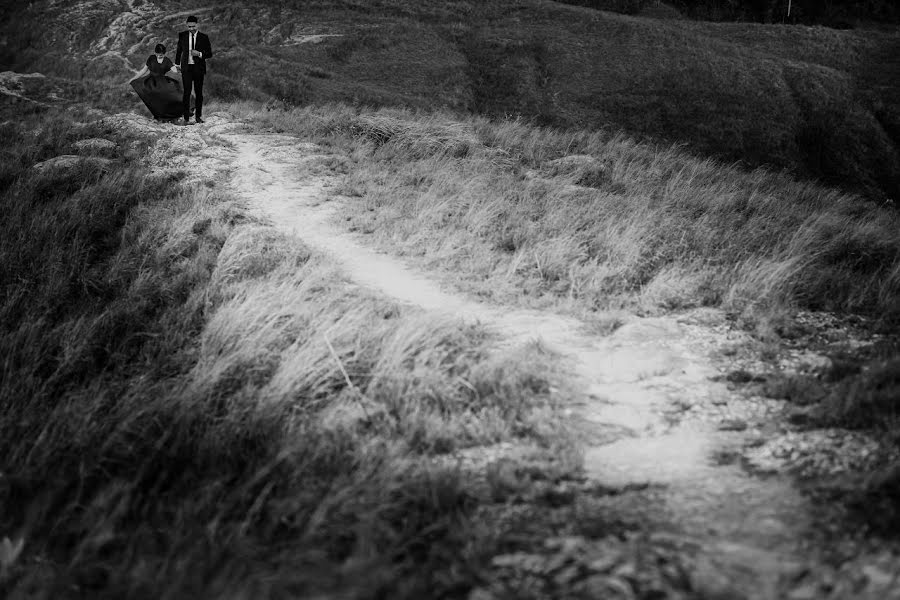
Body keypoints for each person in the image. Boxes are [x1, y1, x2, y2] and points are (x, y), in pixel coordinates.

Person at [129, 43, 188, 122]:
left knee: (172, 95)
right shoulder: (151, 58)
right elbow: (144, 70)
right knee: (151, 97)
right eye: (159, 55)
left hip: (162, 82)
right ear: (155, 53)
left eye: (162, 55)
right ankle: (157, 116)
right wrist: (133, 78)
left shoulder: (167, 60)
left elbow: (174, 70)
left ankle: (174, 115)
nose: (161, 56)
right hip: (150, 81)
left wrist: (178, 67)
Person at [175, 15, 212, 125]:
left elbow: (209, 53)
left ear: (197, 25)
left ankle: (198, 117)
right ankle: (186, 118)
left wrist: (199, 54)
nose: (191, 29)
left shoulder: (204, 37)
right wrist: (177, 65)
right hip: (186, 68)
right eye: (189, 26)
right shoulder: (182, 36)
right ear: (187, 26)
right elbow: (178, 51)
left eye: (193, 26)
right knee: (186, 93)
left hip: (198, 69)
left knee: (199, 93)